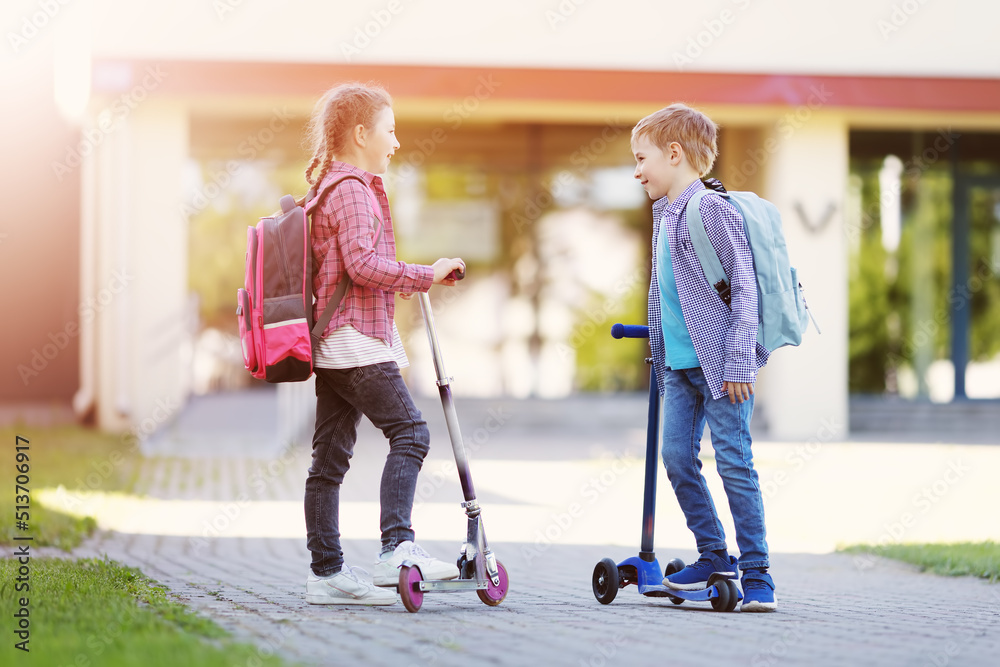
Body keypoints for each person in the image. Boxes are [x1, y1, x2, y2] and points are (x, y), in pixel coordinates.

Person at [302, 82, 466, 606]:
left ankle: (325, 576)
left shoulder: (335, 184)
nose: (396, 142)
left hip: (336, 345)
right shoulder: (349, 188)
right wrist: (428, 274)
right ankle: (397, 549)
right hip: (354, 343)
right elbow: (362, 266)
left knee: (328, 462)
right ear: (360, 133)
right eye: (390, 130)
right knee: (412, 434)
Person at [631, 103, 776, 612]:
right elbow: (664, 295)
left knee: (735, 464)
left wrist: (740, 361)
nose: (636, 169)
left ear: (674, 154)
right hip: (679, 366)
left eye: (641, 157)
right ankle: (714, 554)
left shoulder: (708, 209)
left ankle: (758, 573)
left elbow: (743, 290)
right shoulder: (664, 214)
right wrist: (657, 352)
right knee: (676, 459)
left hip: (722, 368)